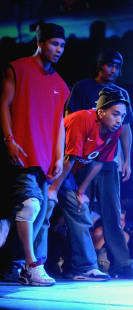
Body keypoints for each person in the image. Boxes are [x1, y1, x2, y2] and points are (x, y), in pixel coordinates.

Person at [0, 23, 69, 286]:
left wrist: (58, 158)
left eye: (62, 45)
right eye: (54, 43)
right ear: (40, 43)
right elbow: (4, 105)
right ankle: (31, 266)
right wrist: (9, 139)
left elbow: (59, 126)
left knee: (28, 216)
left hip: (44, 161)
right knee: (30, 207)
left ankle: (15, 264)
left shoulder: (61, 85)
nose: (59, 49)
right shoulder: (16, 68)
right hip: (20, 156)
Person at [64, 48, 133, 278]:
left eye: (117, 65)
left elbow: (125, 127)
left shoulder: (121, 92)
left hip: (107, 161)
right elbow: (69, 119)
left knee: (112, 212)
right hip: (80, 158)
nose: (113, 70)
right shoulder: (83, 87)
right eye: (108, 65)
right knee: (77, 208)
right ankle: (71, 262)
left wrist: (126, 159)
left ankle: (121, 264)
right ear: (100, 65)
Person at [48, 87, 131, 281]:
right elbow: (69, 159)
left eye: (123, 116)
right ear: (101, 112)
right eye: (116, 114)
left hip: (68, 173)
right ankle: (26, 263)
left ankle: (83, 267)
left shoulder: (115, 129)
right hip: (51, 166)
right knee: (44, 209)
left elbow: (99, 161)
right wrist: (53, 189)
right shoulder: (82, 120)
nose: (120, 120)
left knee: (80, 209)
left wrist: (81, 191)